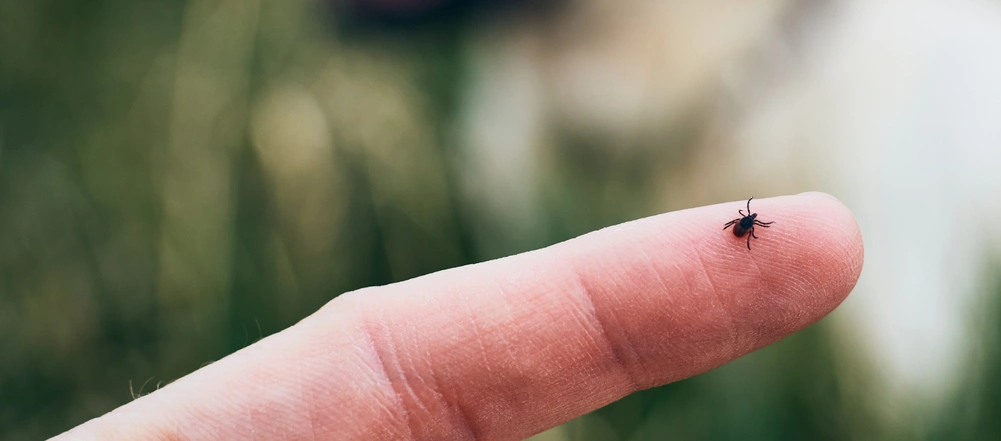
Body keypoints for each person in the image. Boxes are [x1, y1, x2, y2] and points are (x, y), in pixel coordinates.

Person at [54, 194, 862, 441]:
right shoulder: (748, 232)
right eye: (748, 224)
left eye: (747, 224)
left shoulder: (744, 230)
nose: (746, 227)